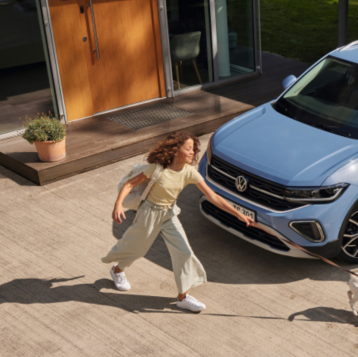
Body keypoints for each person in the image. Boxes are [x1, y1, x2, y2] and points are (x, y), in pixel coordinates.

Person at [102, 131, 255, 312]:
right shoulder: (158, 169)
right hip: (149, 213)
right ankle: (118, 270)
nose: (193, 153)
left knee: (184, 251)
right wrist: (118, 205)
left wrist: (237, 213)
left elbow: (212, 196)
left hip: (169, 214)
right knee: (137, 248)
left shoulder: (189, 172)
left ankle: (183, 297)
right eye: (188, 149)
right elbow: (129, 184)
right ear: (176, 150)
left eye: (194, 149)